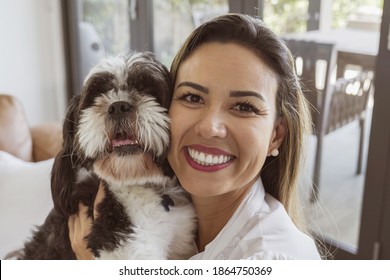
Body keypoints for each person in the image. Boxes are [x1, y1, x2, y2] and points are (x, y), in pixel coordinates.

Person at [68, 13, 322, 260]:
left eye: (244, 107)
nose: (210, 127)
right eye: (192, 97)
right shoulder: (152, 209)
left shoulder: (270, 258)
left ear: (275, 136)